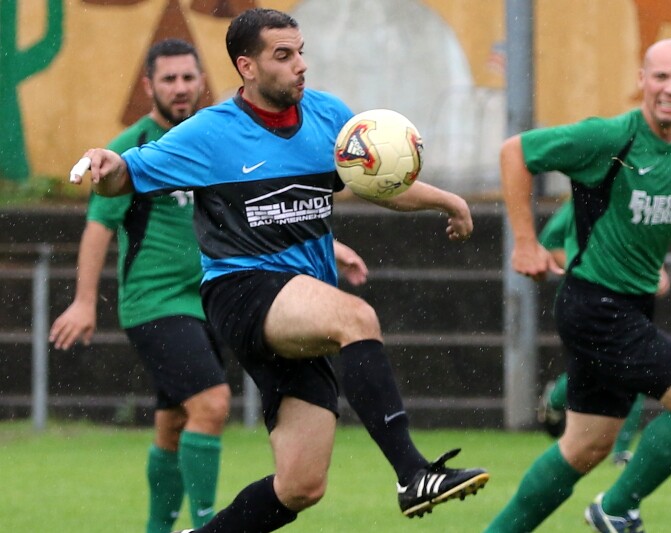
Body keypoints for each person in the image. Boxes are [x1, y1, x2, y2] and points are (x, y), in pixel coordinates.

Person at [71, 8, 488, 532]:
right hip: (241, 289)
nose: (300, 65)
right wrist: (107, 166)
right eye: (284, 55)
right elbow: (125, 175)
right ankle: (413, 474)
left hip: (300, 298)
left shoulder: (328, 117)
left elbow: (376, 182)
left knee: (300, 485)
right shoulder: (210, 133)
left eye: (300, 52)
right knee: (356, 319)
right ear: (247, 66)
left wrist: (448, 201)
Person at [485, 38, 671, 532]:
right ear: (641, 80)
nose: (670, 88)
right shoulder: (610, 137)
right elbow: (515, 152)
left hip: (630, 305)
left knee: (585, 446)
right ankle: (615, 508)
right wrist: (524, 242)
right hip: (595, 305)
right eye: (660, 76)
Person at [50, 39, 230, 533]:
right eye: (169, 79)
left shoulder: (210, 140)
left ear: (202, 81)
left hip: (209, 301)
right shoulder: (130, 148)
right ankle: (210, 526)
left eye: (188, 77)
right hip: (155, 302)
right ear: (149, 86)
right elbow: (98, 226)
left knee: (173, 424)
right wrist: (84, 302)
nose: (180, 87)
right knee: (212, 404)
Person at [536, 200, 670, 466]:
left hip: (630, 302)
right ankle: (557, 397)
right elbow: (549, 243)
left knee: (632, 371)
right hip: (589, 305)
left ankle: (620, 451)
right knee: (602, 371)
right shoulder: (589, 195)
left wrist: (657, 270)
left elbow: (645, 242)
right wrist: (589, 269)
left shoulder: (639, 197)